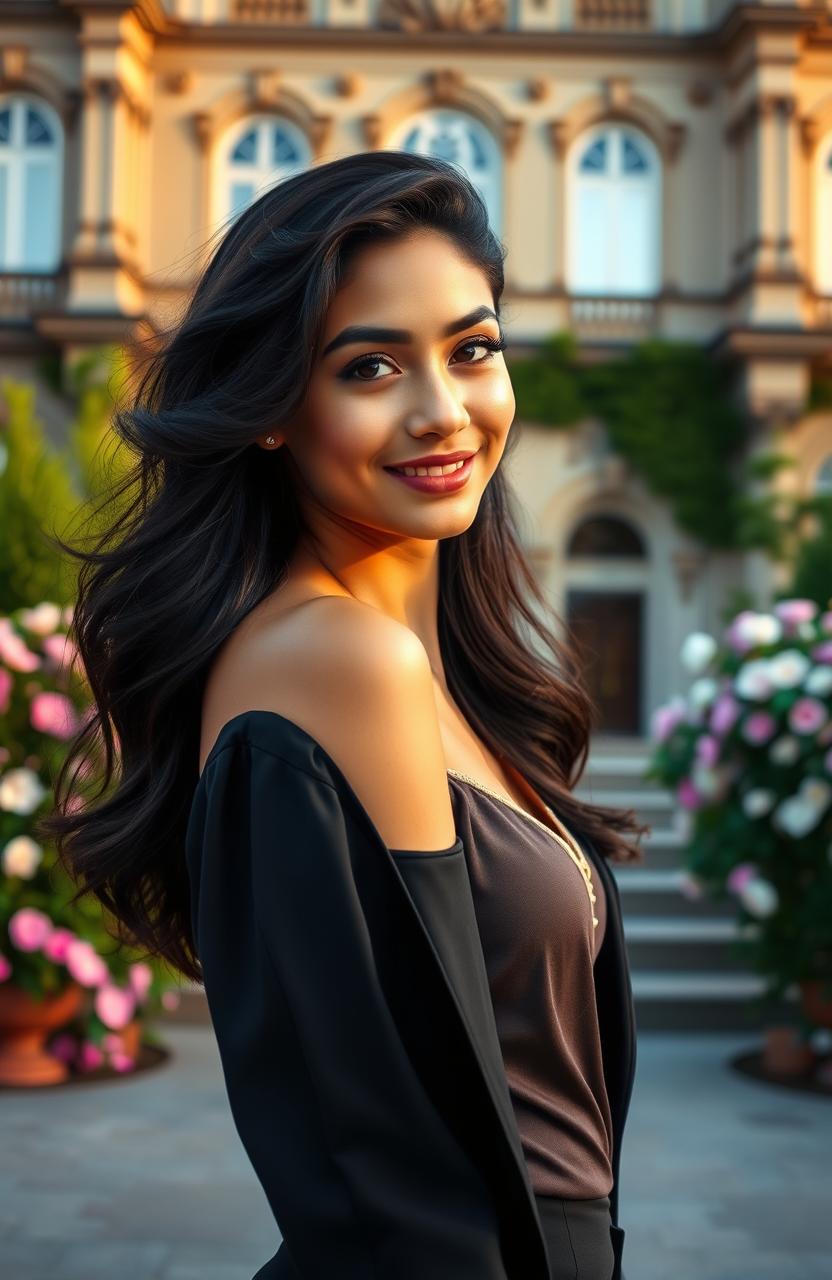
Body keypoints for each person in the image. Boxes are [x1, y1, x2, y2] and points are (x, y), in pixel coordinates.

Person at [43, 151, 648, 1280]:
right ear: (274, 408)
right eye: (370, 366)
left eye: (472, 349)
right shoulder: (342, 657)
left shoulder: (415, 658)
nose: (443, 411)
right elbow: (401, 1169)